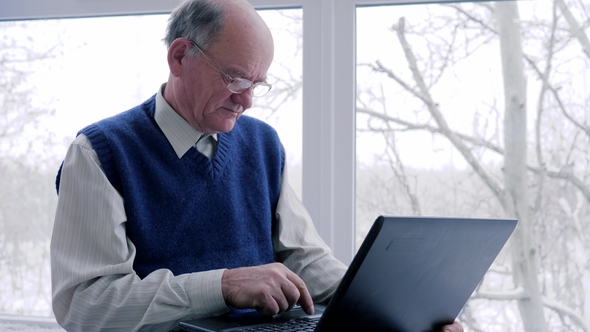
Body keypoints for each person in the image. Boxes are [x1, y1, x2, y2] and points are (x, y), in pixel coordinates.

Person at [51, 0, 464, 331]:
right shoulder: (99, 153)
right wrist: (224, 284)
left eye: (258, 83)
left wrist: (394, 311)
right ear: (179, 57)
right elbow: (85, 307)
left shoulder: (262, 143)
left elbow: (303, 259)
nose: (247, 100)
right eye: (235, 79)